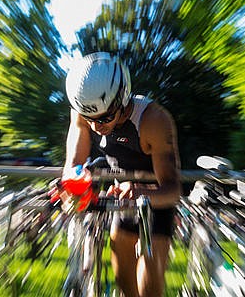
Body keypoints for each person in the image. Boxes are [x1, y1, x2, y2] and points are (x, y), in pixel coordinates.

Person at [61, 52, 181, 297]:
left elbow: (173, 190)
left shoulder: (153, 121)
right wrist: (71, 186)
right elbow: (73, 166)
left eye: (104, 117)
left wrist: (139, 191)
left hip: (155, 201)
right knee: (126, 289)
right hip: (122, 196)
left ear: (122, 99)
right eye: (89, 118)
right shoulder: (83, 108)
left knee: (148, 290)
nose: (96, 127)